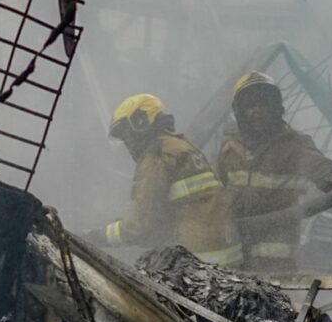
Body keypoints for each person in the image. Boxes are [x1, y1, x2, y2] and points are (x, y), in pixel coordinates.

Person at [216, 71, 332, 273]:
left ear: (276, 107)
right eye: (250, 106)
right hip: (232, 262)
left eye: (262, 104)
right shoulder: (230, 148)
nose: (256, 111)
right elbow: (217, 197)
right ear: (239, 112)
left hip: (274, 266)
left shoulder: (294, 147)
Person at [94, 93, 242, 266]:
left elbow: (141, 224)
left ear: (141, 122)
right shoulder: (183, 146)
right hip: (228, 257)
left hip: (199, 262)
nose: (127, 143)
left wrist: (97, 236)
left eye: (126, 135)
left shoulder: (156, 156)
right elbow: (169, 212)